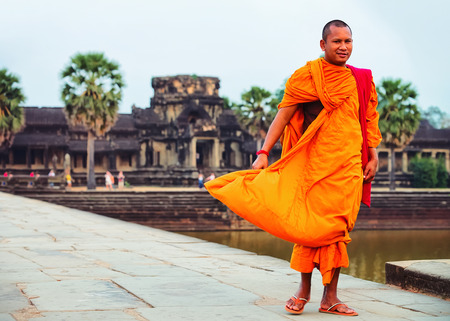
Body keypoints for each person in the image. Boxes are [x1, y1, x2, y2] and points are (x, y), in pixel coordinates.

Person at [205, 20, 381, 316]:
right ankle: (304, 289)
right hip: (314, 166)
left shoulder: (361, 79)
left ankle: (331, 298)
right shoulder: (306, 77)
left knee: (337, 230)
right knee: (307, 227)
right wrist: (263, 152)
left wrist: (373, 155)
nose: (343, 47)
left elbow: (368, 119)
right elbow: (283, 116)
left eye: (348, 41)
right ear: (322, 45)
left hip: (348, 166)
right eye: (336, 41)